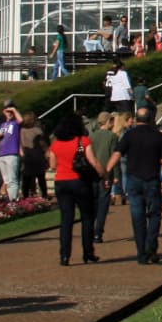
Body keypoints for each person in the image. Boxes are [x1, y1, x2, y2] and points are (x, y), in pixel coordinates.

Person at [107, 108, 162, 265]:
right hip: (151, 179)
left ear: (137, 119)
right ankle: (151, 245)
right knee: (155, 214)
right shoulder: (158, 136)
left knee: (137, 217)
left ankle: (142, 254)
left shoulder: (129, 135)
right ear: (151, 119)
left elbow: (117, 154)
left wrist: (106, 171)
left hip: (134, 179)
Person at [46, 113, 104, 266]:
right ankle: (88, 252)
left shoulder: (56, 144)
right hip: (79, 181)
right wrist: (103, 174)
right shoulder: (83, 141)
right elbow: (93, 161)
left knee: (66, 220)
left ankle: (65, 255)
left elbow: (52, 165)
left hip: (61, 182)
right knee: (87, 217)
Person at [88, 112, 119, 241]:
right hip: (107, 171)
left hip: (93, 172)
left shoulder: (92, 136)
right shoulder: (112, 136)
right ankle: (98, 232)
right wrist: (116, 174)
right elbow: (114, 155)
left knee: (93, 201)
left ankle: (90, 229)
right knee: (103, 203)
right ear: (108, 122)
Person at [0, 103, 24, 201]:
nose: (9, 113)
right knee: (6, 180)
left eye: (11, 111)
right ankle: (11, 199)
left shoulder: (15, 123)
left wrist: (14, 110)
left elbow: (21, 121)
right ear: (3, 112)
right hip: (2, 154)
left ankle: (13, 200)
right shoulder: (2, 125)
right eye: (7, 111)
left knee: (12, 179)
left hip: (12, 153)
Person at [20, 112, 49, 198]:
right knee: (41, 177)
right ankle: (44, 194)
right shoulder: (37, 130)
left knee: (26, 177)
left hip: (26, 154)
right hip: (37, 154)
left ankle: (26, 195)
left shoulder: (21, 131)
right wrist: (47, 151)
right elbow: (42, 143)